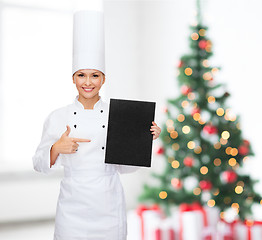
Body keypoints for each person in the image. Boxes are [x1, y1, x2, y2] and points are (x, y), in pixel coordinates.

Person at [32, 10, 161, 240]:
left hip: (108, 205)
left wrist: (144, 138)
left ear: (103, 79)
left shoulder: (119, 114)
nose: (88, 82)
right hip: (72, 208)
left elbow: (125, 166)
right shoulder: (58, 116)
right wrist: (55, 149)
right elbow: (38, 163)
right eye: (81, 75)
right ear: (73, 78)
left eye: (95, 75)